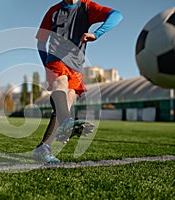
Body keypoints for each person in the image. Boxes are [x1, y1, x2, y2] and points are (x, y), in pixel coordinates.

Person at [34, 0, 123, 163]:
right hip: (56, 59)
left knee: (64, 107)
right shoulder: (53, 11)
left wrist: (97, 33)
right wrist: (46, 64)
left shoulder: (87, 7)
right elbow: (41, 41)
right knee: (61, 86)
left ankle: (43, 147)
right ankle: (67, 123)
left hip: (76, 66)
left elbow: (116, 16)